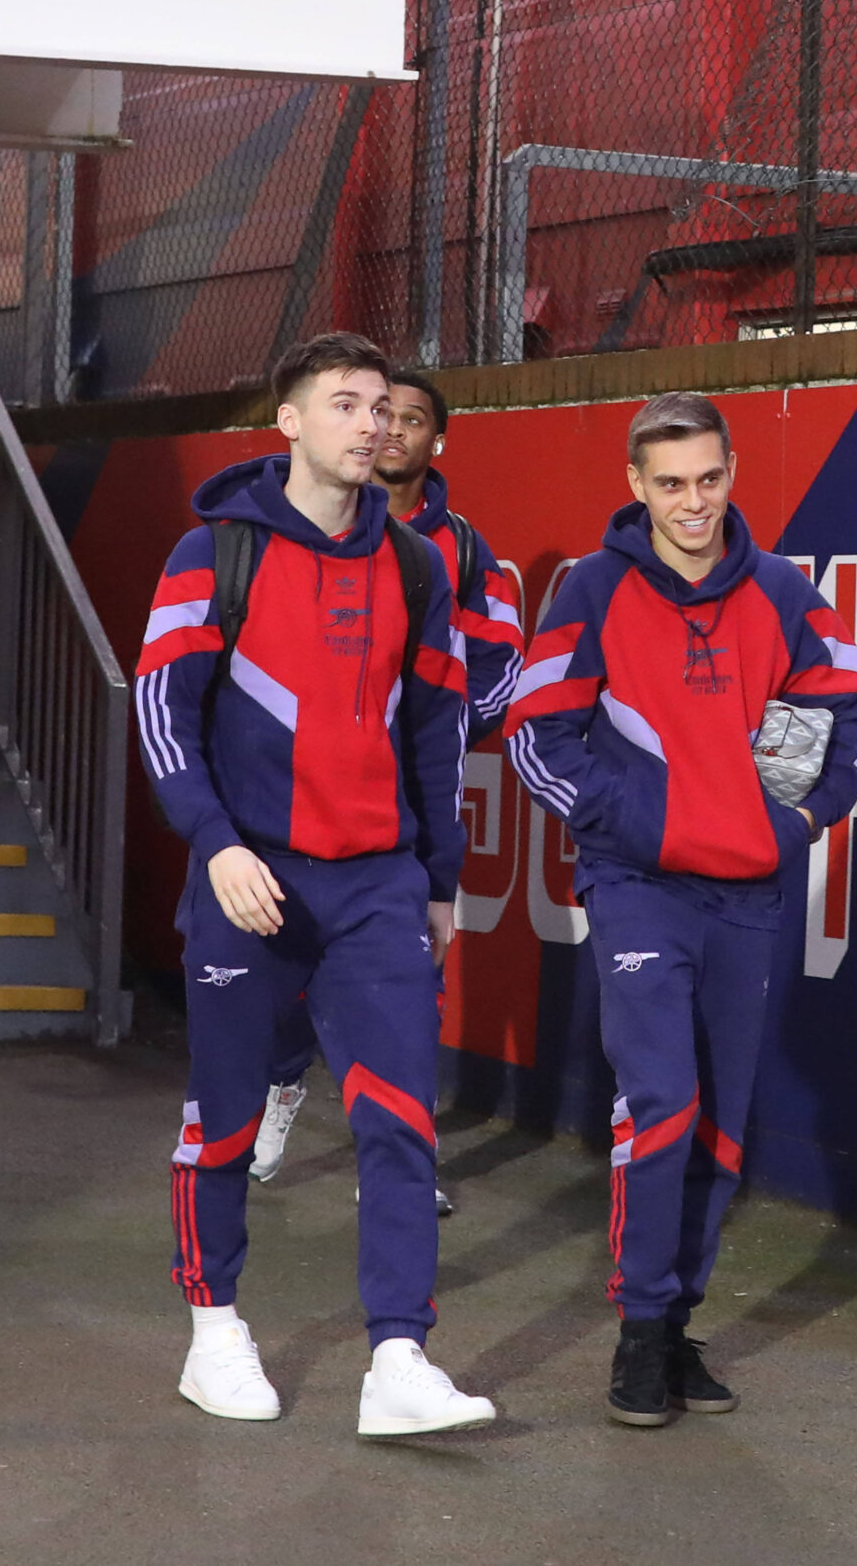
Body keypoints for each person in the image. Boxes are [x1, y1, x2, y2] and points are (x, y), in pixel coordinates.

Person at [503, 391, 857, 1426]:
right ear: (635, 486)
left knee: (721, 1122)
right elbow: (538, 737)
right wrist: (624, 823)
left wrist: (802, 822)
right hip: (638, 890)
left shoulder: (779, 590)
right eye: (670, 484)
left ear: (730, 474)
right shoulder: (589, 591)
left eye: (709, 480)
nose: (692, 503)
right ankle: (636, 1335)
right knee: (661, 1102)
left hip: (749, 894)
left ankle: (677, 1328)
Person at [132, 330, 494, 1434]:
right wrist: (218, 844)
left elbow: (438, 729)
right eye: (345, 404)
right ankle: (215, 1330)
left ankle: (399, 1359)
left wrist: (438, 879)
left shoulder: (417, 564)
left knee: (399, 1121)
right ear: (287, 421)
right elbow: (161, 713)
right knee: (225, 1121)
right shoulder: (213, 554)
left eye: (382, 407)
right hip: (251, 880)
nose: (372, 424)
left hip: (378, 888)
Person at [248, 365, 527, 1197]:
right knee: (291, 968)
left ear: (437, 440)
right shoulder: (300, 530)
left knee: (413, 978)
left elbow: (501, 666)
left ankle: (403, 1151)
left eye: (410, 418)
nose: (391, 429)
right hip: (309, 800)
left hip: (409, 797)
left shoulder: (464, 551)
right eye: (379, 412)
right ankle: (284, 1079)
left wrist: (425, 730)